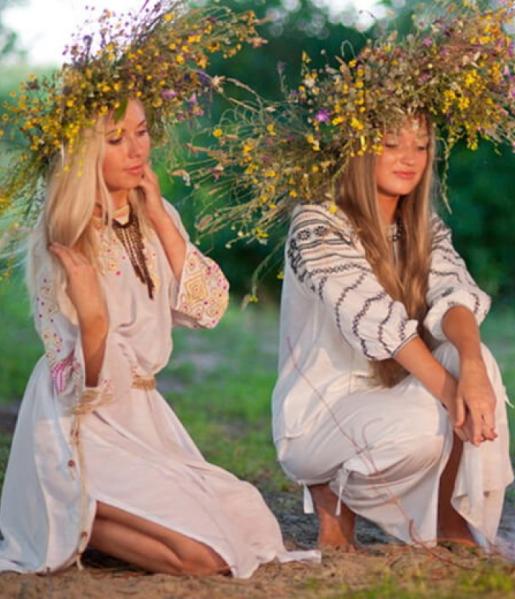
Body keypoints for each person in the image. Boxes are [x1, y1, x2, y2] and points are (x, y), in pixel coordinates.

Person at [0, 2, 318, 575]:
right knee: (199, 558)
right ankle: (68, 507)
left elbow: (208, 309)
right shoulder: (66, 238)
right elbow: (78, 392)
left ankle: (92, 518)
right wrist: (94, 322)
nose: (137, 150)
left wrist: (165, 222)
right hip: (80, 428)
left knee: (248, 522)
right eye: (116, 139)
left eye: (141, 133)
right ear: (83, 150)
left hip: (146, 417)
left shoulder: (156, 214)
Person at [275, 117, 513, 549]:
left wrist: (473, 370)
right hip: (321, 411)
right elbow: (375, 319)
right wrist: (452, 393)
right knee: (426, 427)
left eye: (421, 146)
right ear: (357, 147)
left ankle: (448, 519)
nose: (409, 158)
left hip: (390, 396)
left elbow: (454, 293)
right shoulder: (317, 223)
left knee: (477, 362)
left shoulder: (423, 227)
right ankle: (331, 492)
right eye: (390, 143)